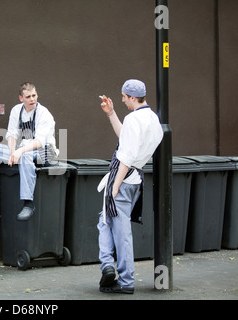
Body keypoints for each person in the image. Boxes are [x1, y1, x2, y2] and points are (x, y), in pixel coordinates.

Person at [97, 79, 163, 294]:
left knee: (121, 230)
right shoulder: (153, 120)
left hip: (123, 178)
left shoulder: (134, 119)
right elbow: (127, 139)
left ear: (132, 97)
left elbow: (126, 154)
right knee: (105, 221)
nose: (122, 100)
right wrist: (111, 113)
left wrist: (115, 185)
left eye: (124, 97)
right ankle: (107, 264)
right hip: (135, 179)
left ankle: (125, 280)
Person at [0, 82, 59, 221]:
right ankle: (19, 160)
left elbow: (39, 141)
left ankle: (28, 203)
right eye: (28, 97)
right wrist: (13, 151)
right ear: (21, 98)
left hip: (45, 150)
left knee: (25, 156)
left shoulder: (44, 114)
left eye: (34, 95)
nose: (32, 99)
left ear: (37, 94)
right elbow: (11, 134)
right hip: (23, 150)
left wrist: (19, 153)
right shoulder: (16, 110)